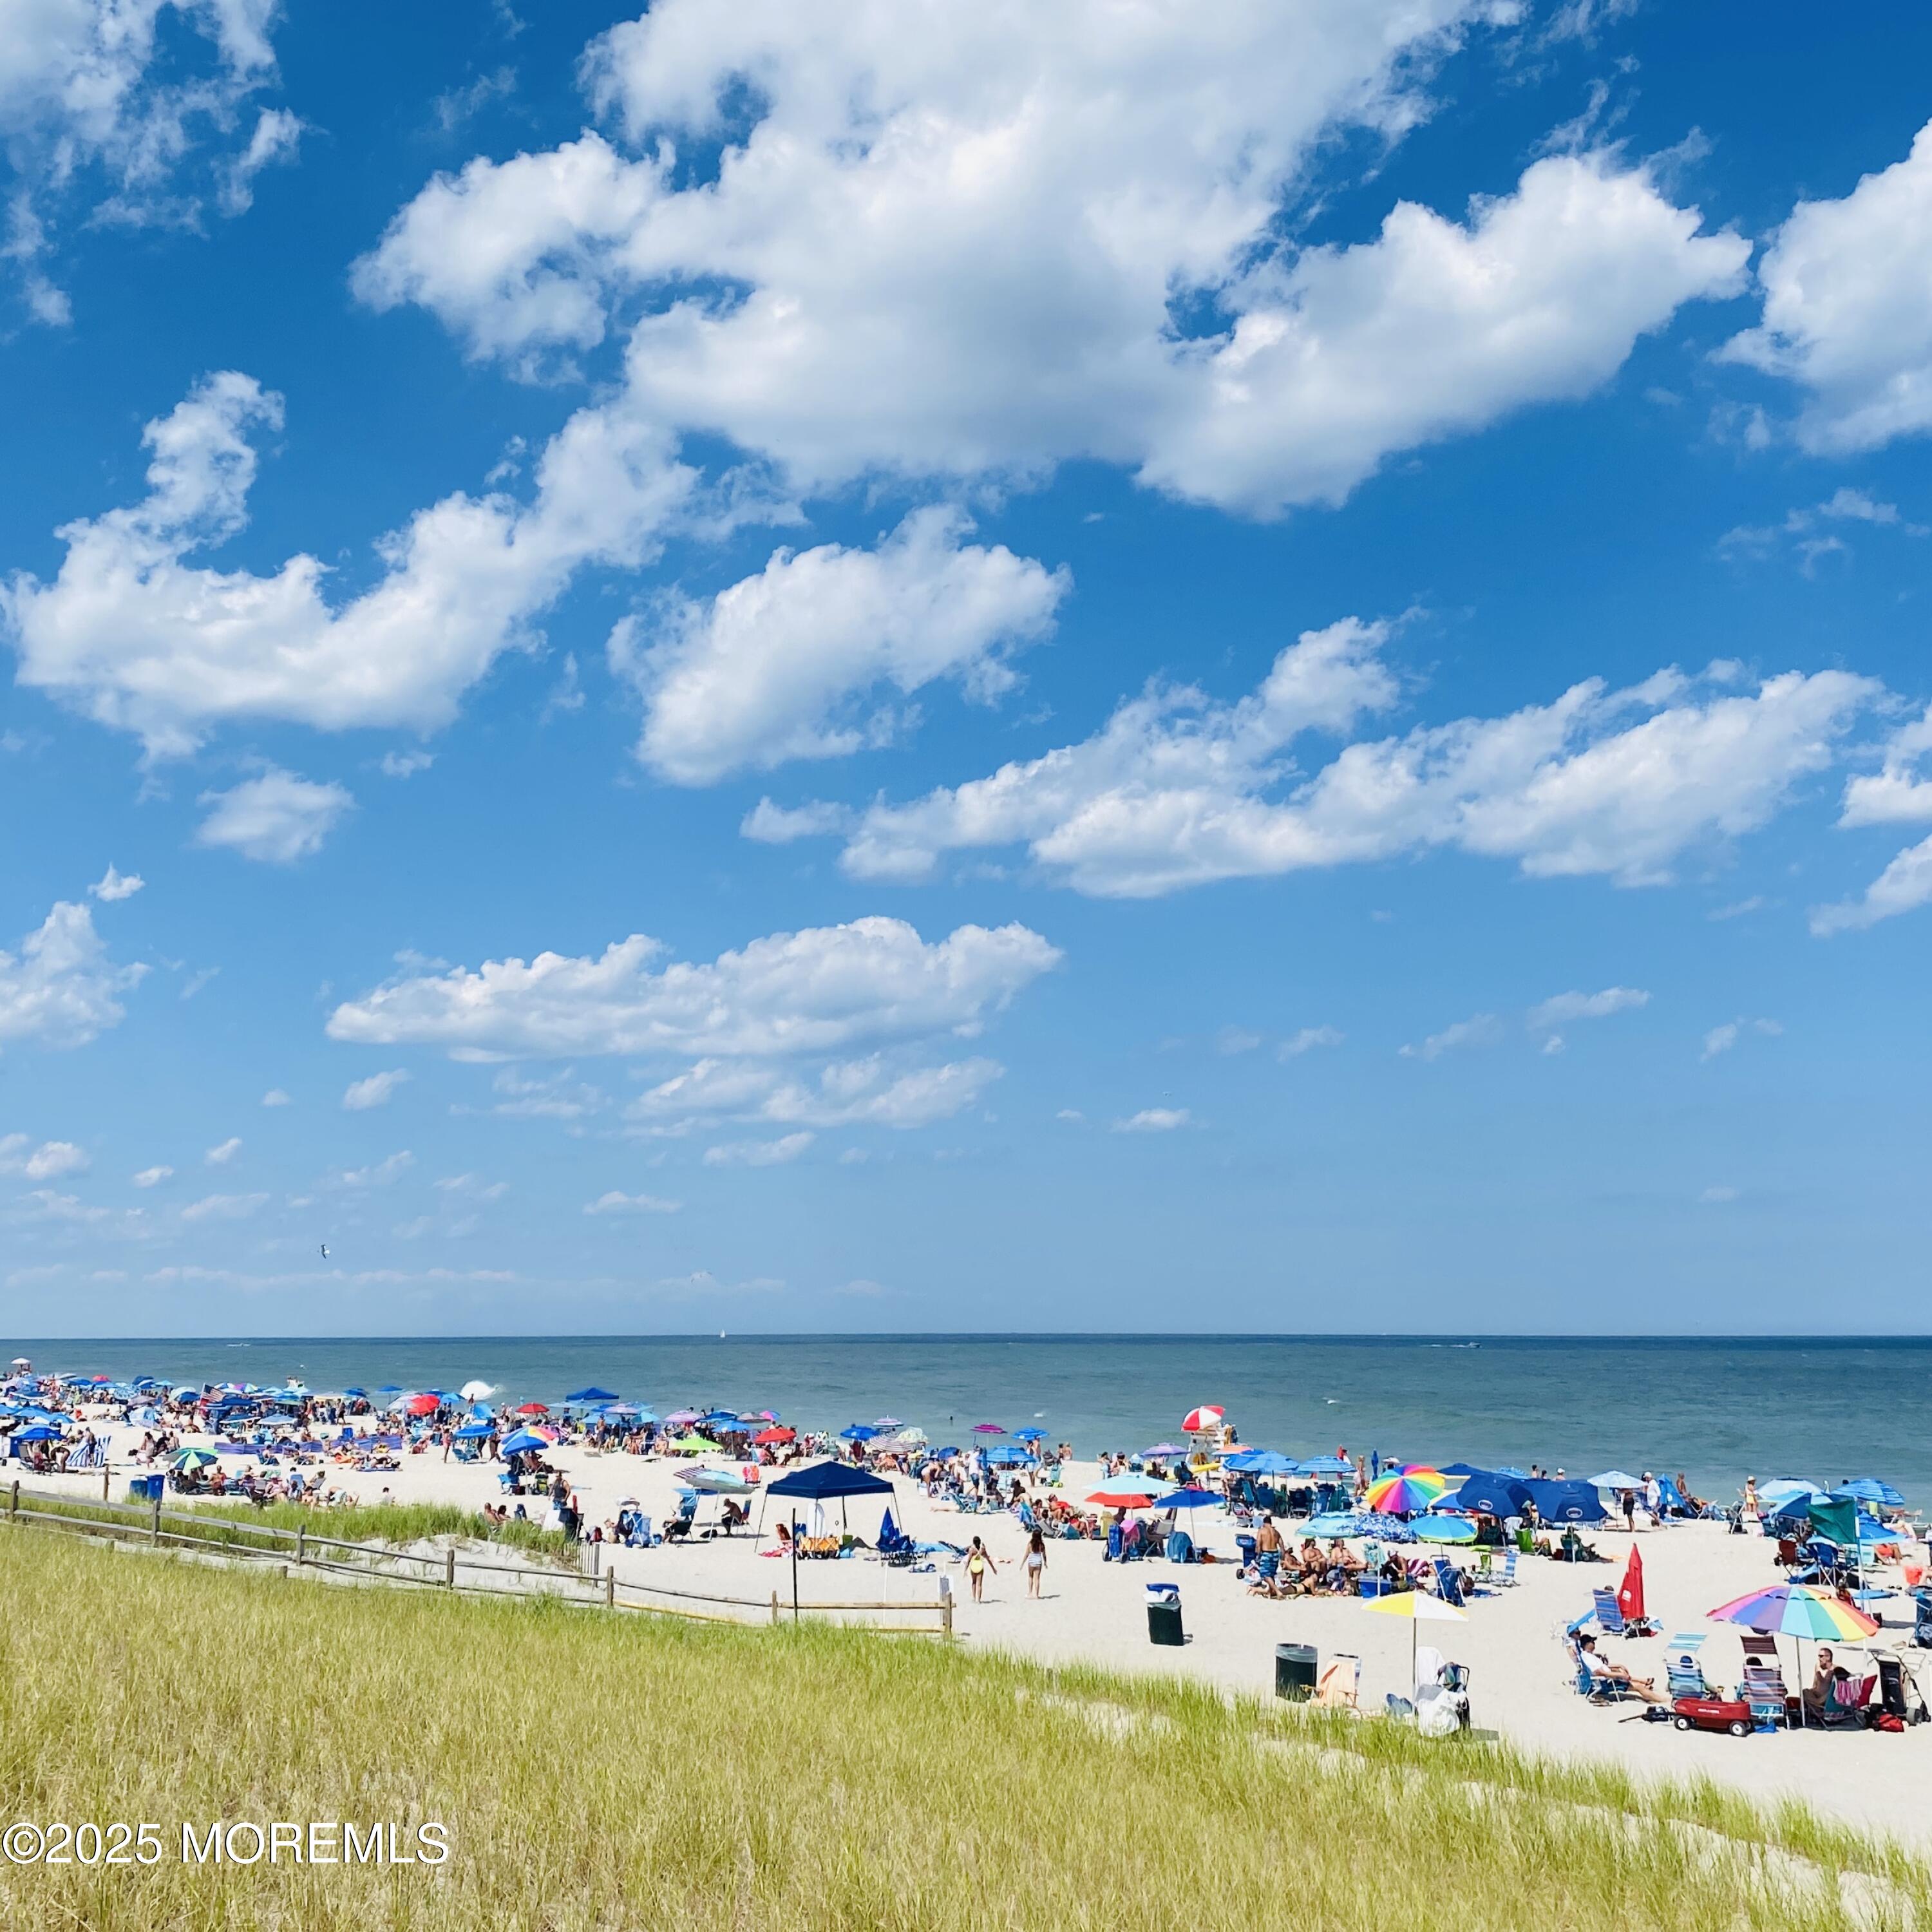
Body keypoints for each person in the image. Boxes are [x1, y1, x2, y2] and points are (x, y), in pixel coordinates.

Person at [1575, 1633, 1667, 1705]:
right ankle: (1660, 1699)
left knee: (1633, 1683)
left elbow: (1602, 1668)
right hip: (1606, 1682)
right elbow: (1599, 1672)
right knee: (1637, 1687)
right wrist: (1619, 1675)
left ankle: (1647, 1689)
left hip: (1607, 1679)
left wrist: (1619, 1666)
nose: (1594, 1643)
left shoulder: (1587, 1655)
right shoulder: (1589, 1658)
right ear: (1587, 1644)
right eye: (1592, 1642)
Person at [965, 1535, 996, 1602]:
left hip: (973, 1567)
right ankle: (978, 1600)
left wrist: (965, 1570)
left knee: (974, 1582)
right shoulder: (982, 1550)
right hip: (980, 1567)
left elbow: (969, 1560)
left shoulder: (972, 1550)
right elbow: (988, 1560)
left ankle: (973, 1597)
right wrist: (993, 1569)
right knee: (979, 1584)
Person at [1024, 1527, 1047, 1597]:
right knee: (1037, 1578)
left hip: (1031, 1561)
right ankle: (1036, 1595)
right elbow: (1044, 1555)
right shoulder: (1041, 1545)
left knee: (1030, 1576)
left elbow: (1027, 1554)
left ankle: (1030, 1593)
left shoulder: (1030, 1544)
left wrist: (1023, 1563)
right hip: (1038, 1562)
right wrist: (1046, 1562)